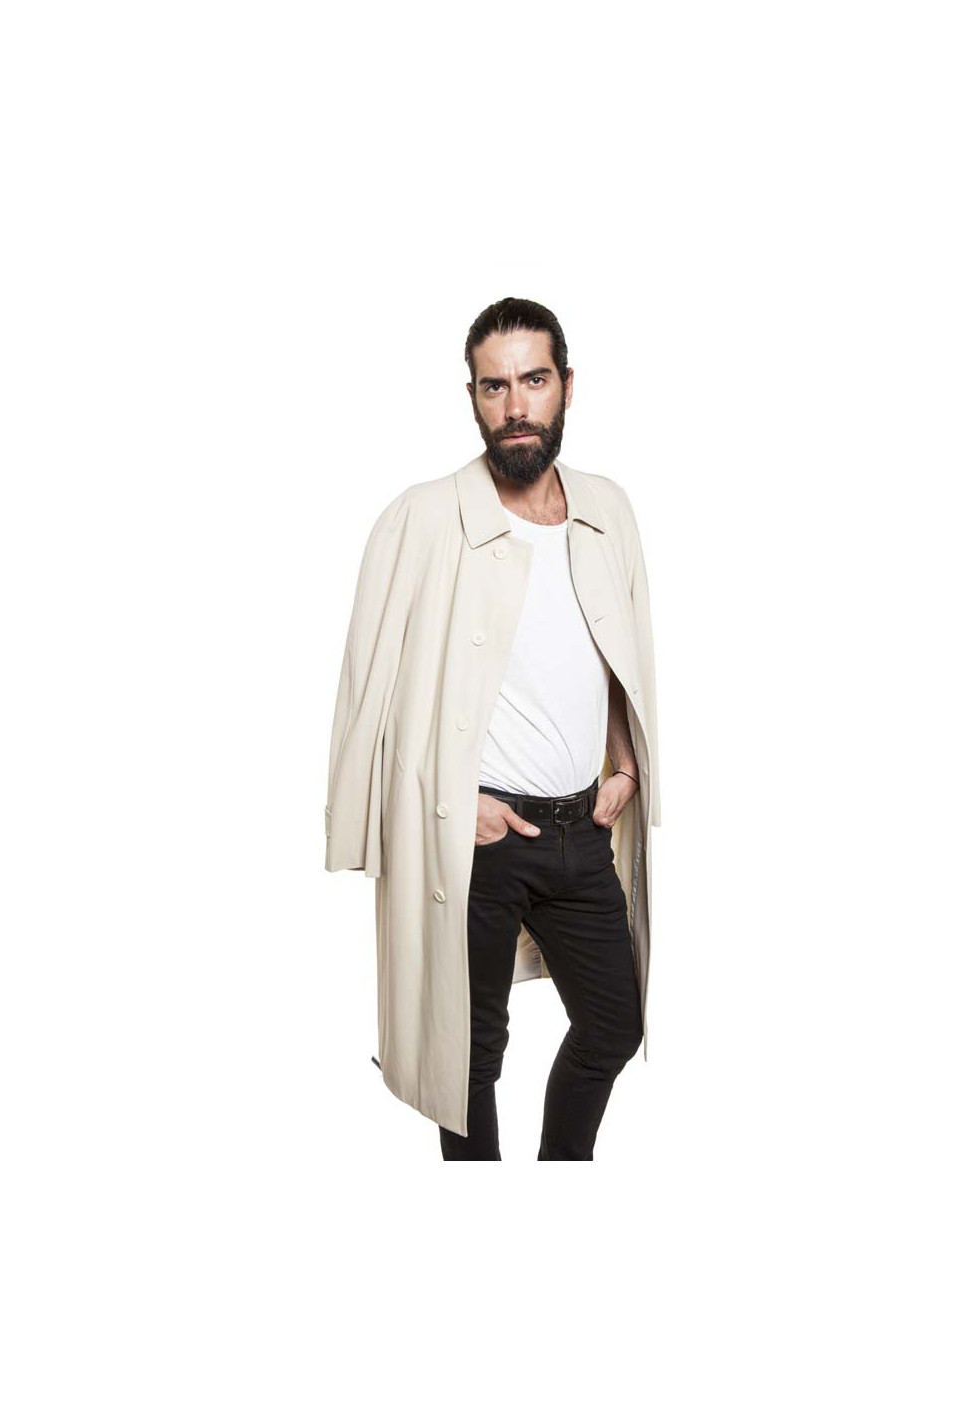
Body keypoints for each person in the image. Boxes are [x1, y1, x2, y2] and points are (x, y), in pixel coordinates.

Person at [324, 296, 661, 1159]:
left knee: (614, 1025)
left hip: (581, 827)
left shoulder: (608, 511)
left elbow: (619, 659)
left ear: (568, 387)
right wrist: (451, 802)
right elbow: (370, 692)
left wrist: (626, 765)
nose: (515, 406)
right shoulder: (423, 517)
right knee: (466, 1058)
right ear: (472, 396)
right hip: (479, 836)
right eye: (494, 386)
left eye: (534, 381)